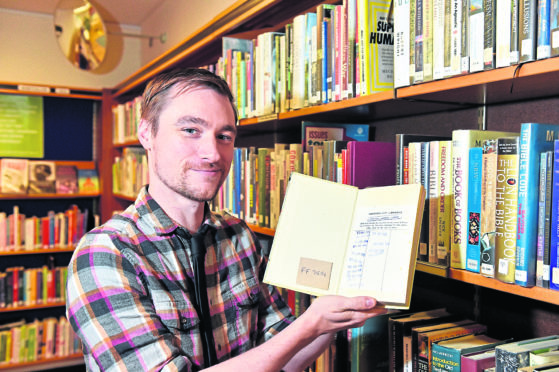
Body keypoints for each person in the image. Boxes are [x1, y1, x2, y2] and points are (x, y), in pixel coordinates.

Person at [66, 68, 383, 371]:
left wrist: (335, 315)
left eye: (224, 136)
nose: (213, 153)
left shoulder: (238, 235)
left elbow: (285, 356)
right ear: (146, 132)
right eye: (191, 130)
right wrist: (309, 324)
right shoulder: (106, 255)